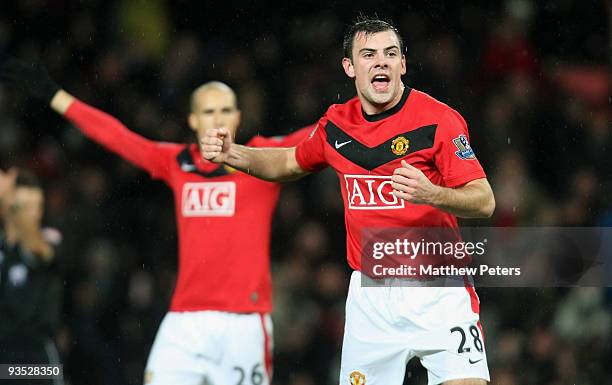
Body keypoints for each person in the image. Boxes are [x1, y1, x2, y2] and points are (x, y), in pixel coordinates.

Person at [201, 17, 495, 385]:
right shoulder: (335, 125)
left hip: (439, 292)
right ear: (350, 67)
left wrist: (430, 193)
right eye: (369, 55)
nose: (381, 62)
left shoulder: (439, 120)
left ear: (403, 64)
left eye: (391, 54)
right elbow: (290, 161)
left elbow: (484, 201)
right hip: (371, 300)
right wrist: (234, 153)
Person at [0, 61, 312, 385]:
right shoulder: (177, 162)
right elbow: (116, 136)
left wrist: (367, 104)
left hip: (244, 324)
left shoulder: (265, 158)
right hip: (185, 322)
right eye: (208, 112)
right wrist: (55, 95)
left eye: (225, 110)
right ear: (192, 120)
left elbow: (324, 132)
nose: (218, 119)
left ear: (238, 117)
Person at [0, 168, 64, 385]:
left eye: (39, 206)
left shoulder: (48, 241)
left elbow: (38, 249)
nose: (35, 214)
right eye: (27, 206)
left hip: (34, 360)